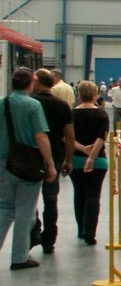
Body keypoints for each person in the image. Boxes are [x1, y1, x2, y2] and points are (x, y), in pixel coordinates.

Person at [0, 67, 57, 270]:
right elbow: (40, 137)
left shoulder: (3, 103)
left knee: (4, 208)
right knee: (25, 212)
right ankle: (19, 257)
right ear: (31, 83)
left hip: (4, 162)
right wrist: (50, 165)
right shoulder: (33, 105)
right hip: (27, 165)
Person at [30, 69, 74, 254]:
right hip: (55, 156)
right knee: (50, 199)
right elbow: (69, 136)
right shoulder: (62, 106)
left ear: (38, 83)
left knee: (29, 199)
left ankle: (33, 231)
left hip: (31, 156)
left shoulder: (31, 103)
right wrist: (68, 160)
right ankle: (49, 240)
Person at [69, 81, 109, 245]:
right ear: (95, 95)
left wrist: (82, 149)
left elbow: (67, 137)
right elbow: (101, 137)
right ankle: (89, 232)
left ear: (78, 95)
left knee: (79, 193)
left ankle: (81, 228)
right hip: (98, 161)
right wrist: (92, 156)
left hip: (76, 160)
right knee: (93, 195)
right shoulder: (101, 114)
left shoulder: (71, 114)